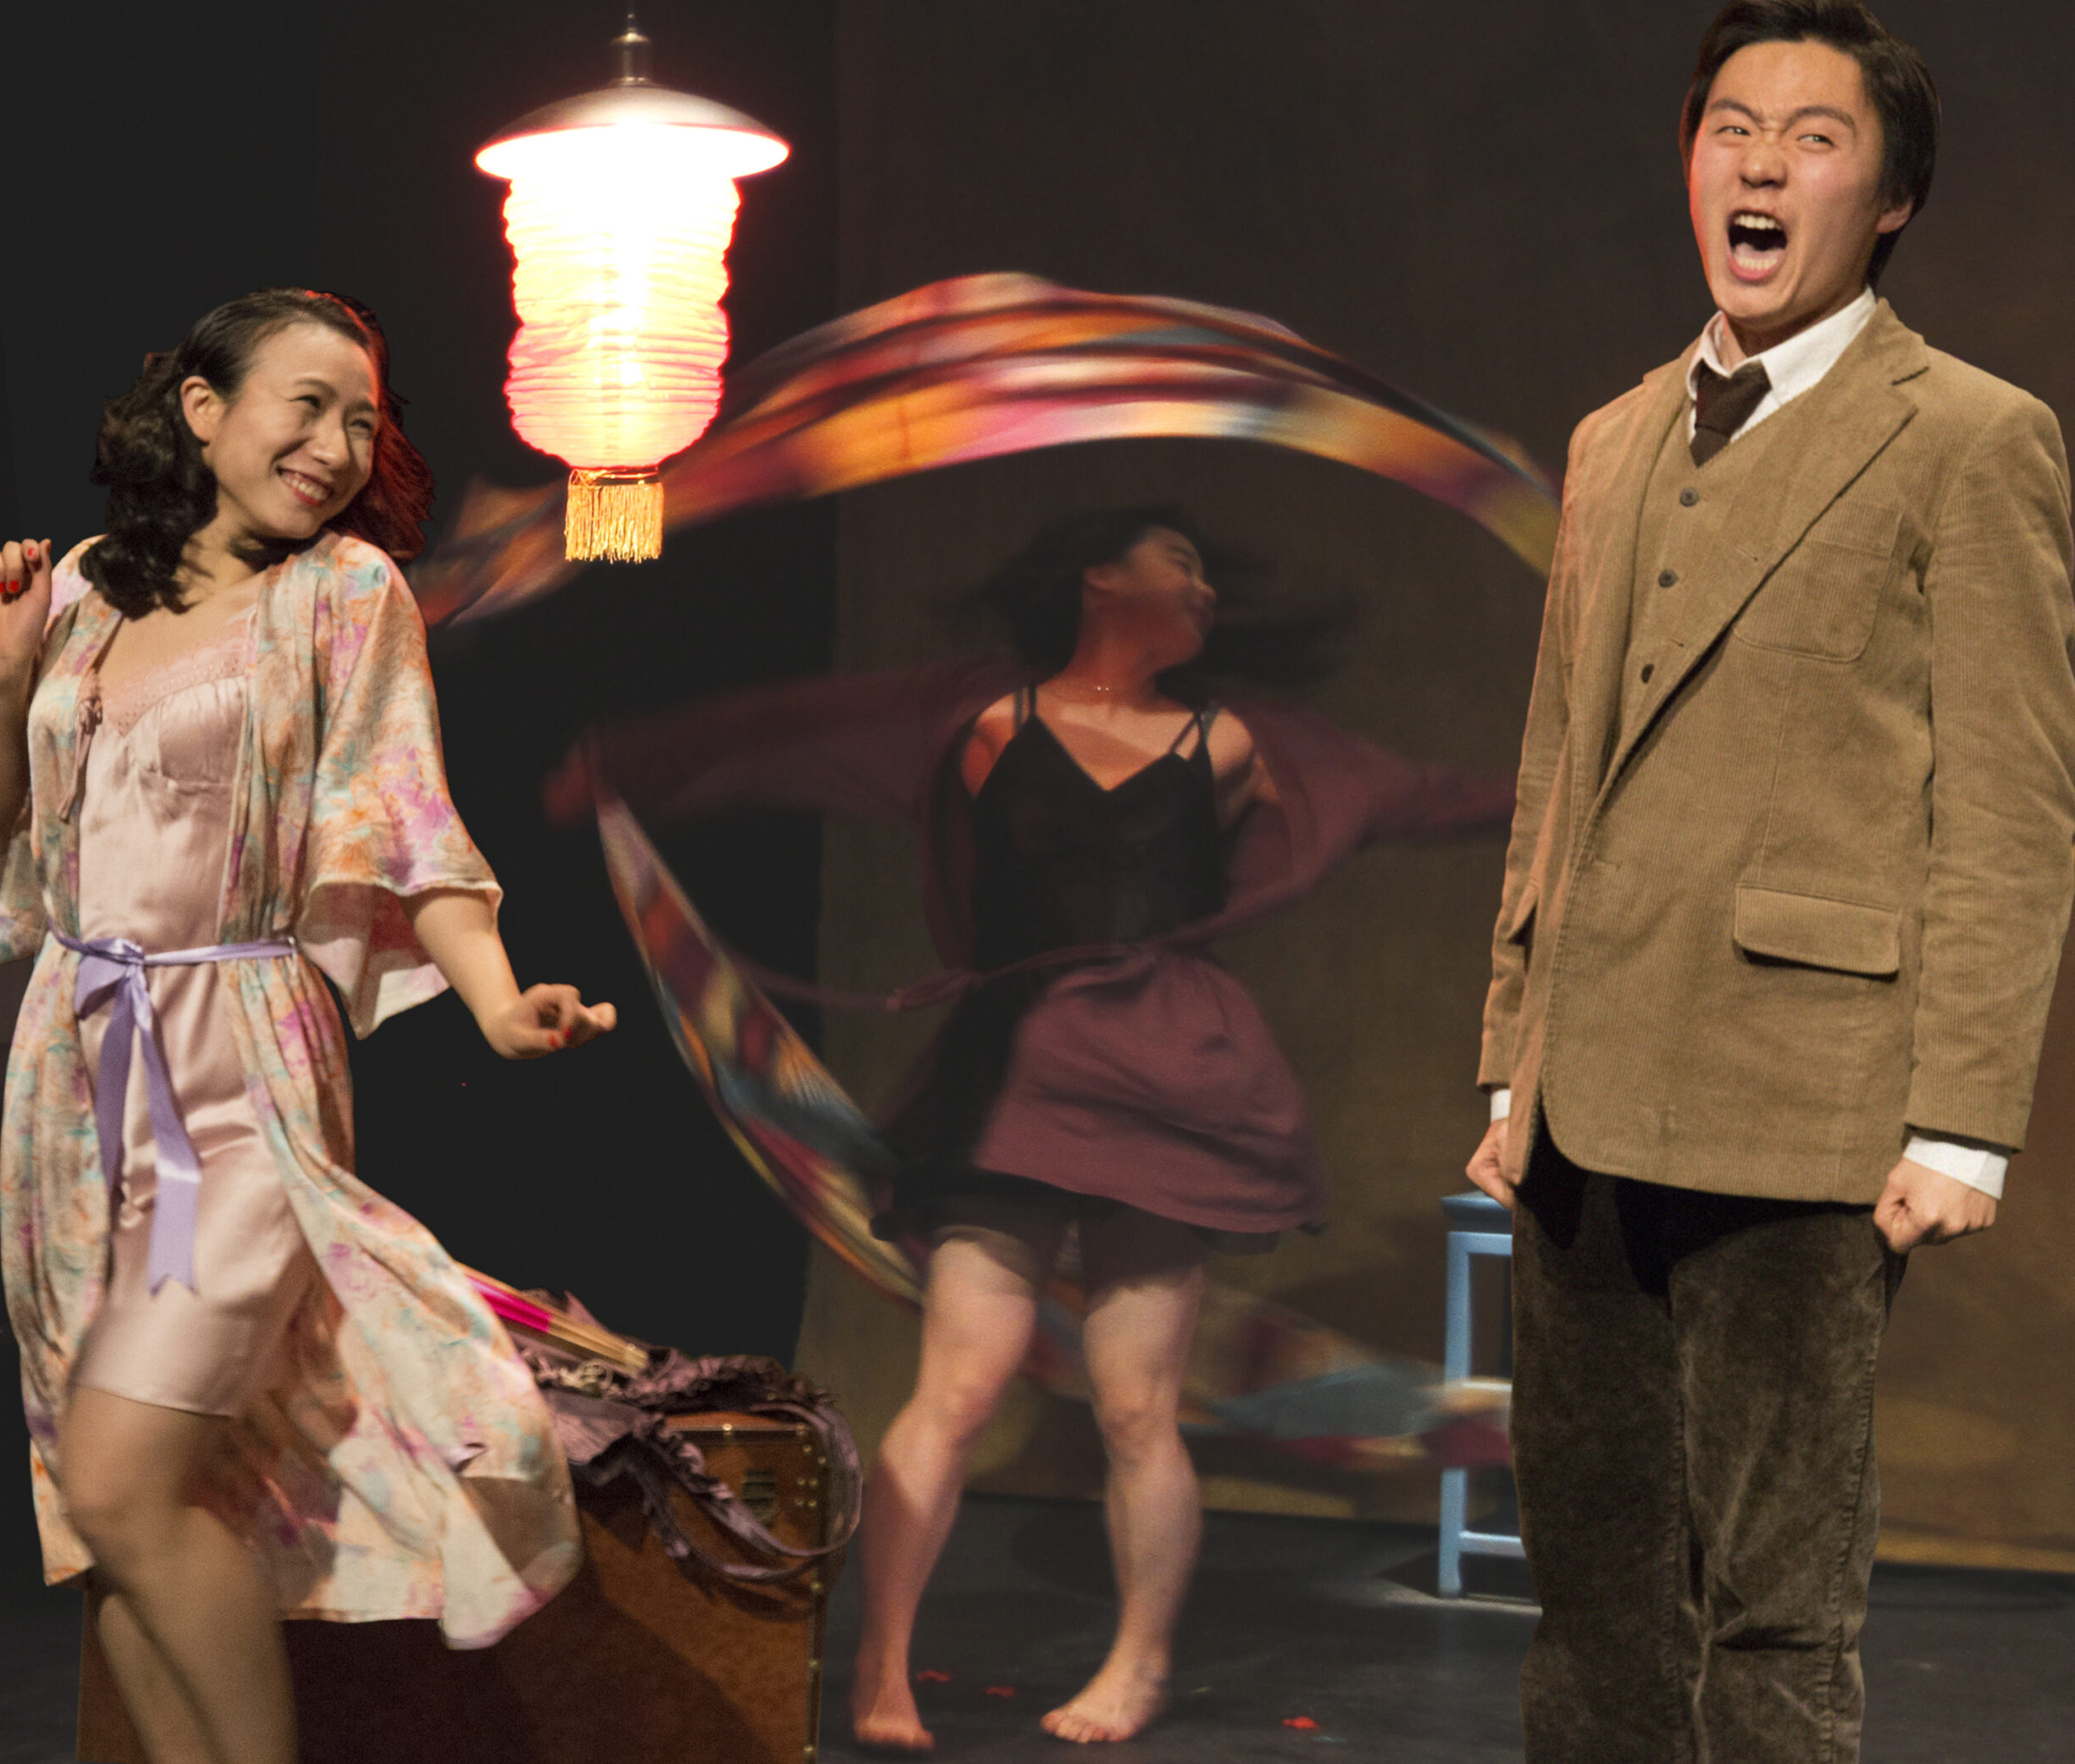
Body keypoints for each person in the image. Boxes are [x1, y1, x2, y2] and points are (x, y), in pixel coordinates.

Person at [559, 506, 1512, 1747]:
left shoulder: (1231, 738)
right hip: (1016, 1079)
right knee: (956, 1386)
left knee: (1135, 1406)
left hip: (1172, 1078)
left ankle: (1137, 1664)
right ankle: (882, 1666)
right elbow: (797, 734)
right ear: (1100, 577)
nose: (1205, 589)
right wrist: (626, 763)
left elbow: (1421, 795)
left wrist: (1580, 792)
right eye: (1184, 561)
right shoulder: (985, 715)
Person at [1465, 0, 2075, 1761]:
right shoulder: (1612, 437)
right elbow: (1555, 771)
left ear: (1888, 197)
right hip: (1583, 1101)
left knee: (1773, 1607)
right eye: (1731, 128)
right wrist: (1510, 1056)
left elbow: (2013, 803)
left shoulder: (1968, 436)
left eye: (1813, 139)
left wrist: (1961, 1121)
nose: (1760, 165)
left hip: (1804, 1107)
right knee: (1590, 1595)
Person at [0, 288, 617, 1764]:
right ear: (203, 409)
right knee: (108, 1520)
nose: (334, 445)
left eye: (361, 421)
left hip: (233, 1070)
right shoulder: (86, 587)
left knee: (122, 1479)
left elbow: (403, 817)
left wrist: (499, 1000)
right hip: (75, 1069)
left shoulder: (344, 593)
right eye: (305, 405)